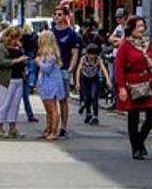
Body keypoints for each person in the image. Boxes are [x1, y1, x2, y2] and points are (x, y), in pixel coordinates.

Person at [114, 17, 152, 159]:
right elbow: (119, 68)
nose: (142, 29)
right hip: (132, 84)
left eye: (143, 26)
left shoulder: (148, 44)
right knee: (133, 116)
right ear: (131, 28)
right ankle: (136, 148)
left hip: (148, 82)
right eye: (139, 26)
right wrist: (121, 87)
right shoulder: (125, 45)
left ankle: (140, 141)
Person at [0, 26, 27, 139]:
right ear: (8, 36)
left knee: (15, 104)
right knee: (5, 103)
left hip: (18, 78)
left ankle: (13, 127)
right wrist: (16, 61)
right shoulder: (0, 47)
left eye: (18, 37)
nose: (16, 40)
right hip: (5, 79)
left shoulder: (18, 46)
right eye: (14, 37)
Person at [52, 9, 81, 138]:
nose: (57, 17)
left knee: (63, 100)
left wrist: (70, 68)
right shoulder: (50, 32)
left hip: (63, 69)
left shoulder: (71, 33)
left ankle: (63, 126)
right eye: (55, 14)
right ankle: (52, 126)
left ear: (65, 16)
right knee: (50, 99)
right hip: (51, 70)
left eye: (60, 14)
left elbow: (75, 52)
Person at [34, 31, 64, 140]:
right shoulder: (43, 54)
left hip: (52, 84)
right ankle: (48, 128)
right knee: (48, 109)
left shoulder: (51, 54)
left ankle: (54, 130)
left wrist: (39, 62)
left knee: (52, 109)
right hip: (45, 84)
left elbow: (47, 69)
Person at [76, 44, 112, 126]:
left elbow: (104, 69)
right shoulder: (83, 59)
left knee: (94, 96)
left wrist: (108, 80)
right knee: (86, 97)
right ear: (87, 53)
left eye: (94, 54)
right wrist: (77, 83)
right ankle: (88, 113)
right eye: (90, 54)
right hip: (85, 79)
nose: (92, 56)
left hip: (94, 79)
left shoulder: (98, 60)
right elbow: (79, 70)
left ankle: (95, 116)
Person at [20, 22, 39, 123]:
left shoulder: (21, 38)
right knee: (32, 72)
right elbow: (37, 47)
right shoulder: (34, 36)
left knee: (12, 96)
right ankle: (30, 115)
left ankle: (0, 114)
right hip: (31, 57)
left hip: (23, 60)